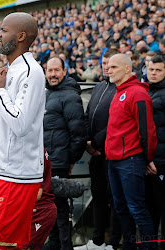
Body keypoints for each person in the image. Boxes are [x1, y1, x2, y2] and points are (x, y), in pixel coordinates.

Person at [0, 12, 46, 250]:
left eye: (4, 30)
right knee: (8, 245)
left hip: (16, 174)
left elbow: (20, 124)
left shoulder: (31, 71)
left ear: (20, 36)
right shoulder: (13, 69)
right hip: (5, 171)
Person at [105, 54, 157, 250]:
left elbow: (147, 131)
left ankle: (149, 247)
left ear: (127, 69)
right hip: (114, 161)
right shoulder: (118, 92)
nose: (109, 70)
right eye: (109, 66)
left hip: (130, 160)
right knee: (121, 208)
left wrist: (147, 158)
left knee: (137, 209)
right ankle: (128, 245)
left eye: (114, 67)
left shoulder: (137, 93)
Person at [76, 49, 122, 250]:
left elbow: (115, 123)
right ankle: (97, 241)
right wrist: (87, 141)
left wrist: (94, 144)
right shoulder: (98, 87)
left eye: (111, 64)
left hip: (112, 155)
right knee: (99, 197)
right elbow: (87, 117)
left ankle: (113, 242)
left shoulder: (121, 90)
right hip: (95, 154)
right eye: (104, 63)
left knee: (115, 200)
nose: (106, 67)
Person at [42, 57, 87, 250]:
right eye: (49, 70)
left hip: (59, 161)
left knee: (60, 208)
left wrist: (70, 160)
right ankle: (53, 244)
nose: (53, 74)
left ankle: (64, 246)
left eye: (56, 70)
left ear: (64, 71)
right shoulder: (47, 94)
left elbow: (78, 132)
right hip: (45, 161)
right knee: (49, 206)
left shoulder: (69, 95)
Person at [146, 55, 165, 250]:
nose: (154, 73)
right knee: (150, 208)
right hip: (148, 160)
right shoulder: (146, 91)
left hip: (160, 161)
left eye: (158, 70)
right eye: (152, 69)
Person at [29, 149, 57, 250]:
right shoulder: (34, 148)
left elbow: (37, 194)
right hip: (39, 209)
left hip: (40, 211)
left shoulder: (33, 152)